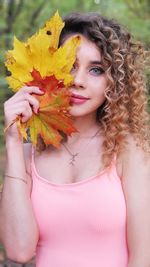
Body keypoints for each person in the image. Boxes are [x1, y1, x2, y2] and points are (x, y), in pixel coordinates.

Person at [0, 12, 150, 267]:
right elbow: (19, 251)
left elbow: (144, 256)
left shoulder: (128, 150)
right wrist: (14, 142)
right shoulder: (27, 156)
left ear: (113, 83)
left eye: (96, 69)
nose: (78, 81)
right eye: (70, 65)